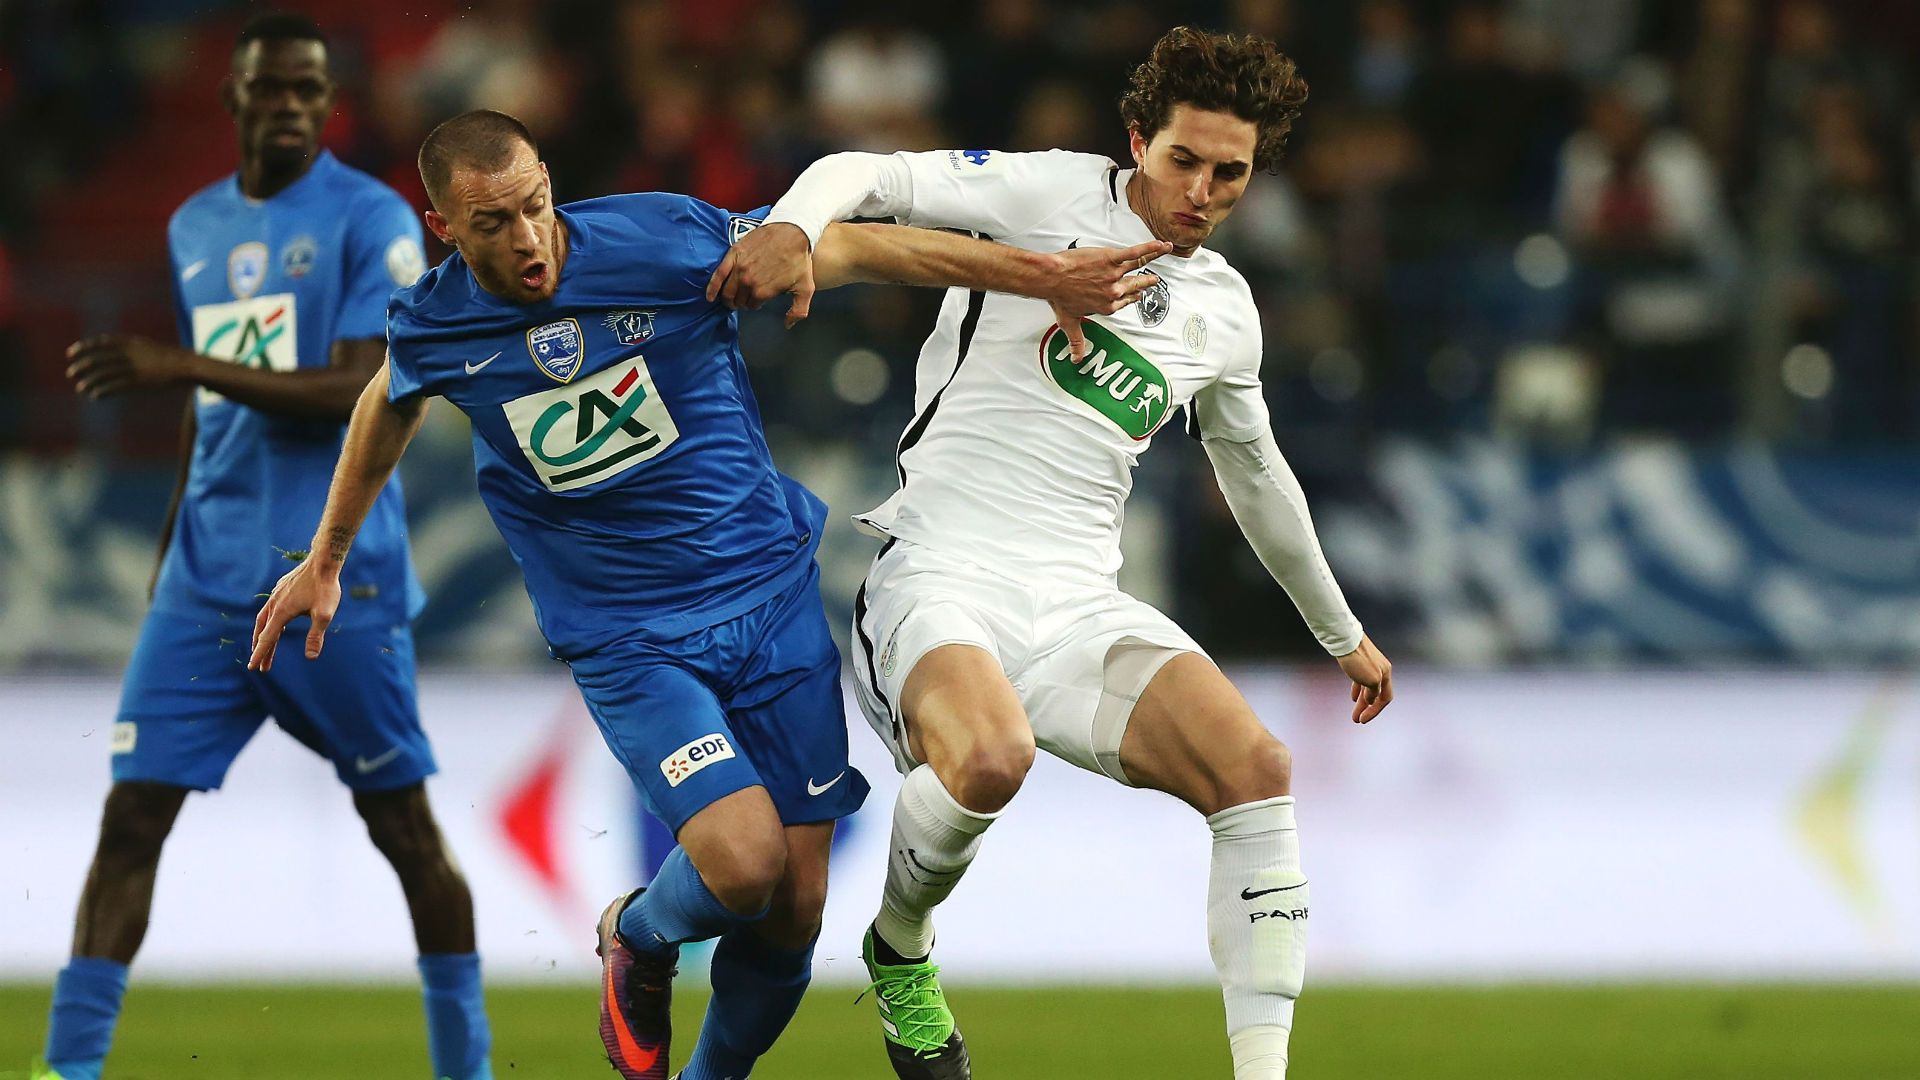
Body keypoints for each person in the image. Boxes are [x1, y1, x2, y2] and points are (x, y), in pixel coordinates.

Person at [248, 109, 1169, 1080]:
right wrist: (327, 556)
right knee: (743, 863)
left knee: (799, 907)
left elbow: (849, 246)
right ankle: (637, 936)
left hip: (769, 602)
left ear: (550, 180)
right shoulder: (435, 323)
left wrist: (1044, 274)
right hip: (631, 639)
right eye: (491, 224)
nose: (525, 239)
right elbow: (385, 401)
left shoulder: (662, 241)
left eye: (534, 206)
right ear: (442, 226)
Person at [761, 25, 1395, 1080]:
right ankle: (900, 949)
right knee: (991, 758)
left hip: (1079, 603)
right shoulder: (1045, 196)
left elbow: (1259, 478)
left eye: (1228, 172)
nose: (1200, 189)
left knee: (1258, 771)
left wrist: (1343, 636)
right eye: (1182, 158)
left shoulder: (1224, 312)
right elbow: (865, 170)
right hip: (939, 570)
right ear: (1138, 139)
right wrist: (791, 227)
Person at [36, 15, 491, 1080]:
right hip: (204, 585)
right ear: (235, 100)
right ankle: (68, 1070)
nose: (289, 106)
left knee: (405, 834)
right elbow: (213, 422)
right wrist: (165, 563)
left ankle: (466, 1067)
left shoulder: (367, 216)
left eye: (307, 91)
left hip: (336, 581)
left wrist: (184, 367)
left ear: (326, 102)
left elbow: (359, 387)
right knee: (131, 816)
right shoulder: (195, 224)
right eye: (270, 90)